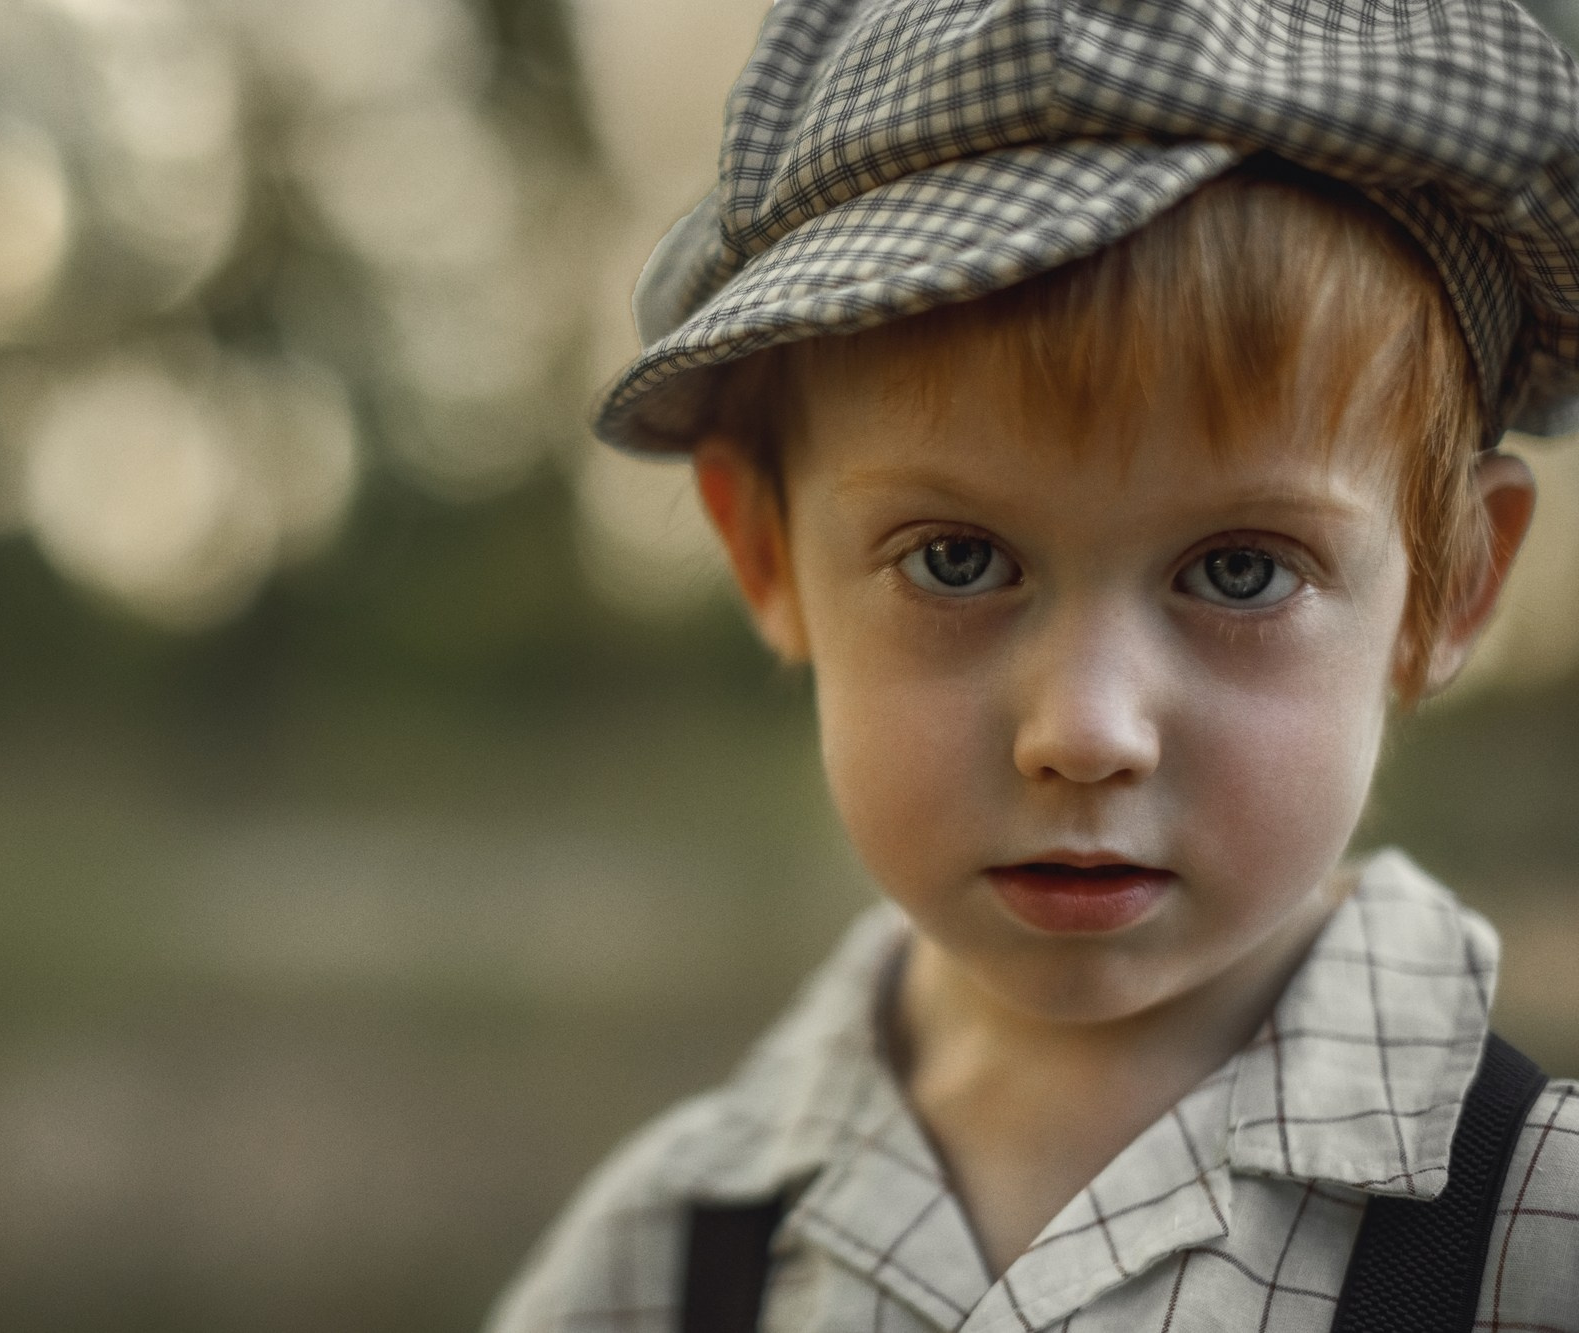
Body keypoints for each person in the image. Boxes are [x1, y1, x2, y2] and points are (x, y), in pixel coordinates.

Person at [485, 1, 1579, 1329]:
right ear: (766, 554)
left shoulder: (1533, 1229)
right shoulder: (671, 1258)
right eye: (957, 559)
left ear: (1450, 585)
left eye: (1241, 570)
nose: (1086, 729)